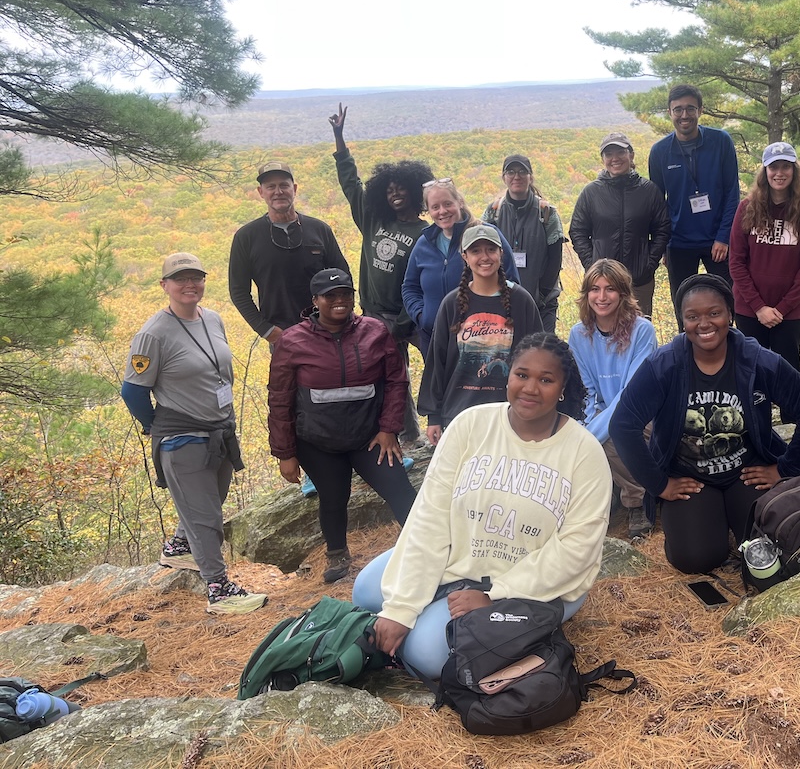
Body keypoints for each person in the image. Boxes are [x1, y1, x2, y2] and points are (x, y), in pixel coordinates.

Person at [353, 332, 610, 681]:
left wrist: (495, 595)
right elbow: (431, 515)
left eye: (546, 380)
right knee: (368, 591)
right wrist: (402, 608)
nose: (531, 388)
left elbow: (576, 552)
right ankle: (433, 602)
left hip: (527, 583)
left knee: (425, 655)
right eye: (522, 375)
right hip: (461, 559)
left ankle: (523, 630)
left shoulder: (584, 452)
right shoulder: (471, 425)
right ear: (508, 375)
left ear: (563, 387)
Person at [610, 274, 800, 574]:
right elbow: (623, 425)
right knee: (694, 560)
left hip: (747, 473)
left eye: (714, 313)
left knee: (772, 549)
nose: (704, 324)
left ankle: (734, 518)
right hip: (690, 478)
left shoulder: (758, 361)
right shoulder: (664, 366)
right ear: (682, 320)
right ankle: (710, 523)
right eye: (693, 316)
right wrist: (659, 484)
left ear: (730, 314)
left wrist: (784, 468)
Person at [121, 253, 266, 615]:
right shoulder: (152, 334)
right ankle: (218, 588)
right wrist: (155, 426)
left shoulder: (213, 320)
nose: (190, 285)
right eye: (180, 279)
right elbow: (133, 391)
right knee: (206, 517)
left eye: (196, 278)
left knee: (209, 504)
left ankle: (179, 549)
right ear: (164, 285)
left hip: (218, 431)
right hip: (182, 437)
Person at [267, 269, 419, 584]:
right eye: (330, 296)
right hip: (317, 442)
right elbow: (280, 399)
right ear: (315, 301)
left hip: (370, 438)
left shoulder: (375, 331)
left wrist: (389, 428)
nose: (339, 301)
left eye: (345, 294)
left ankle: (425, 548)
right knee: (334, 497)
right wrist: (285, 453)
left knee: (401, 492)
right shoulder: (293, 341)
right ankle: (337, 555)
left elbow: (396, 381)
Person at [329, 103, 433, 441]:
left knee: (438, 362)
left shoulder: (425, 233)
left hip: (412, 315)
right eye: (389, 190)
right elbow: (351, 185)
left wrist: (406, 319)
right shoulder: (373, 220)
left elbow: (423, 281)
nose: (395, 194)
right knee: (392, 377)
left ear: (415, 191)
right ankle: (408, 436)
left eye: (401, 188)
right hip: (375, 315)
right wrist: (340, 140)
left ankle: (442, 424)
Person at [418, 225, 542, 447]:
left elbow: (538, 359)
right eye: (476, 251)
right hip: (459, 414)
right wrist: (433, 416)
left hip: (509, 415)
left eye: (490, 250)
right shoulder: (451, 303)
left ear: (501, 253)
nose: (484, 257)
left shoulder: (521, 300)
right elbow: (438, 360)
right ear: (464, 257)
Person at [728, 140, 800, 412]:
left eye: (785, 167)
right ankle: (755, 427)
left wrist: (780, 309)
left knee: (787, 371)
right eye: (773, 167)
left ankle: (793, 428)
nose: (779, 173)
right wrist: (758, 307)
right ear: (765, 171)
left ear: (794, 172)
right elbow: (736, 262)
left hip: (788, 312)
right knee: (751, 370)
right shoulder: (746, 208)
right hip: (749, 309)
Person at [567, 259, 659, 539]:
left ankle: (638, 499)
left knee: (611, 438)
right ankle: (599, 501)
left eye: (610, 289)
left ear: (623, 293)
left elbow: (632, 393)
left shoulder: (642, 331)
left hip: (644, 413)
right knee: (577, 437)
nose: (602, 297)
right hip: (605, 412)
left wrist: (590, 436)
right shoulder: (579, 335)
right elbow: (587, 392)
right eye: (595, 289)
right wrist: (582, 428)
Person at [647, 85, 741, 328]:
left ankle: (728, 359)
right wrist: (664, 244)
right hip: (679, 243)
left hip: (717, 242)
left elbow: (732, 193)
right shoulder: (659, 152)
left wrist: (724, 237)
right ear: (669, 112)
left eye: (690, 108)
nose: (684, 115)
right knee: (684, 309)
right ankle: (688, 361)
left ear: (700, 110)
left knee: (727, 306)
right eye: (678, 109)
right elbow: (657, 204)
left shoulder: (720, 141)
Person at [228, 160, 350, 347]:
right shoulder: (247, 236)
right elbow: (238, 291)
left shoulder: (319, 229)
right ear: (261, 192)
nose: (278, 191)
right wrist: (266, 330)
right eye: (271, 187)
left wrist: (340, 317)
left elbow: (343, 277)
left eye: (284, 185)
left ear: (294, 188)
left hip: (327, 332)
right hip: (282, 337)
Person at [401, 178, 520, 355]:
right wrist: (422, 316)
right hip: (433, 338)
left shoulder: (486, 236)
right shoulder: (424, 243)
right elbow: (410, 287)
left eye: (448, 204)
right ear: (429, 211)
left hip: (479, 340)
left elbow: (510, 282)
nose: (442, 211)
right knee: (439, 383)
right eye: (435, 207)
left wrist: (490, 323)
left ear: (460, 202)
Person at [569, 132, 671, 319]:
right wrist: (592, 265)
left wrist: (649, 263)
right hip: (602, 284)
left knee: (639, 333)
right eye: (609, 154)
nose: (615, 158)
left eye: (620, 152)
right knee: (602, 334)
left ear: (631, 155)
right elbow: (577, 231)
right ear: (603, 159)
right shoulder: (591, 193)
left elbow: (662, 229)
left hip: (639, 280)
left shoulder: (649, 191)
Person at [482, 154, 565, 334]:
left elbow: (555, 257)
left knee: (543, 353)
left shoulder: (547, 212)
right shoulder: (493, 212)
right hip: (502, 302)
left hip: (542, 304)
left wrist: (542, 294)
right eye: (511, 172)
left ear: (531, 176)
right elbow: (482, 255)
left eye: (522, 171)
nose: (516, 176)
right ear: (503, 177)